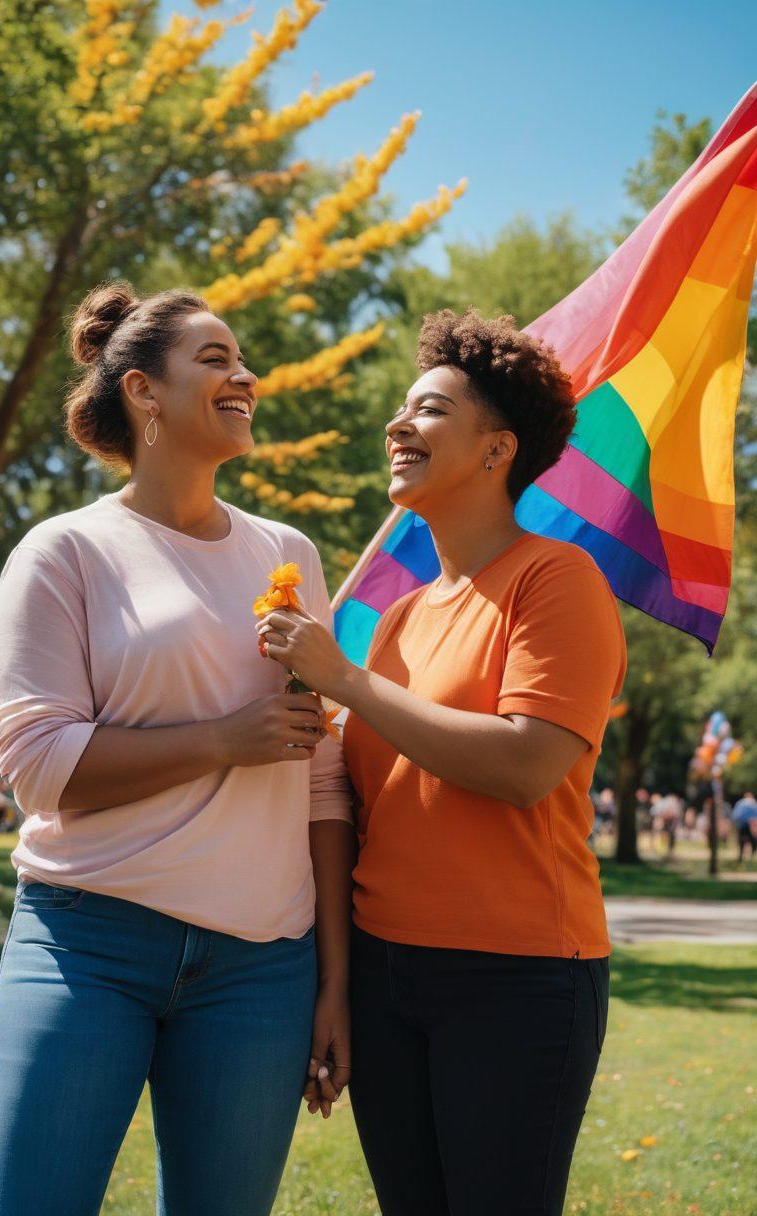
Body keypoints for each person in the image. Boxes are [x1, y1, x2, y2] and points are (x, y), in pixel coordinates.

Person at [0, 282, 355, 1216]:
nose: (246, 376)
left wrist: (333, 981)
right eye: (216, 359)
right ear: (143, 391)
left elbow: (322, 781)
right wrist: (227, 740)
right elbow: (41, 773)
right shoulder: (63, 553)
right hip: (87, 941)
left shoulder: (289, 553)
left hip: (262, 969)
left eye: (243, 361)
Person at [258, 309, 627, 1216]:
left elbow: (525, 764)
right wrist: (339, 986)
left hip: (518, 979)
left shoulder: (557, 581)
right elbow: (355, 800)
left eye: (427, 410)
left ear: (497, 450)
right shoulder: (400, 619)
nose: (397, 425)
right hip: (387, 979)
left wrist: (346, 678)